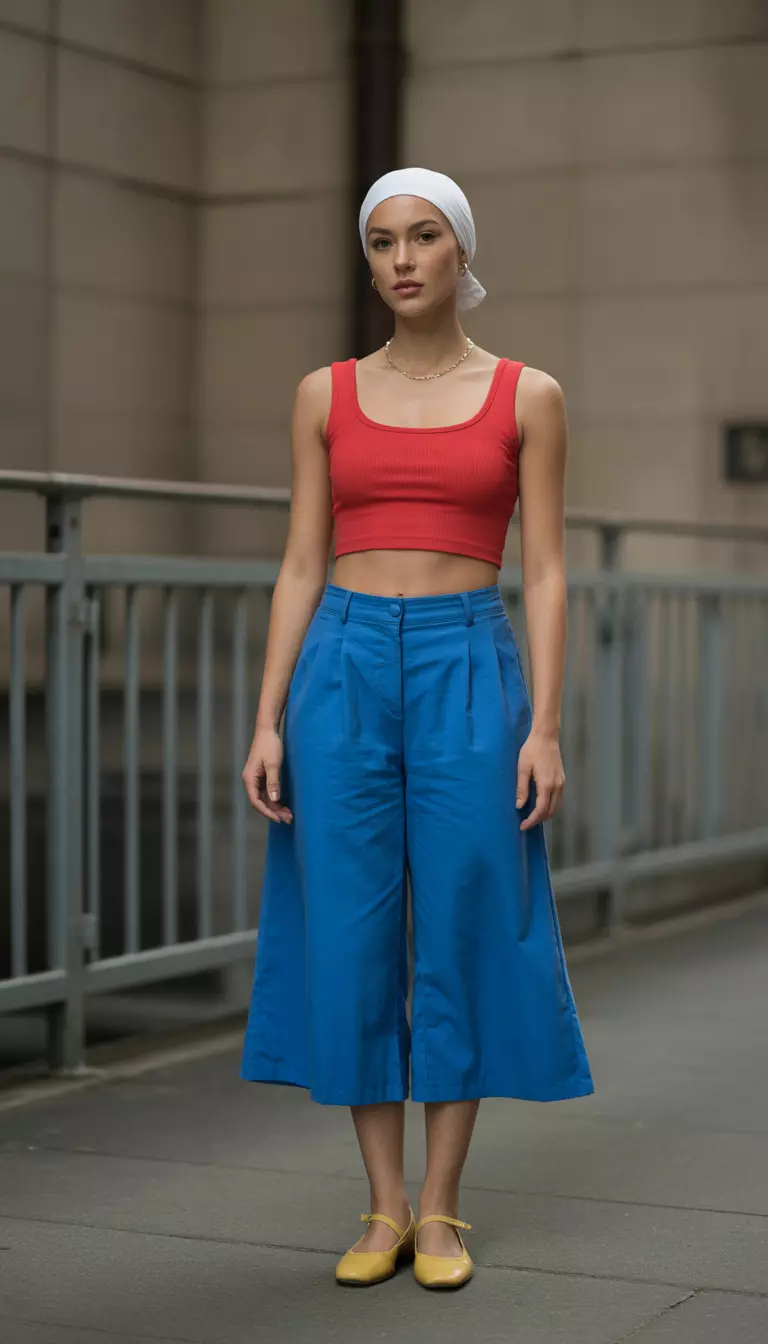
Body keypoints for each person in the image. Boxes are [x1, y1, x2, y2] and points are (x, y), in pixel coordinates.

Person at [240, 166, 594, 1291]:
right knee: (345, 927)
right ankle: (383, 1206)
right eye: (382, 240)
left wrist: (543, 724)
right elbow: (300, 560)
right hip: (340, 663)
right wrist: (266, 717)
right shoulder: (323, 393)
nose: (400, 258)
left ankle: (443, 1210)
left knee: (469, 917)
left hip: (465, 661)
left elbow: (543, 572)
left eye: (424, 237)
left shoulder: (528, 393)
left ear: (460, 254)